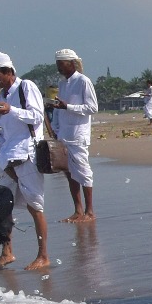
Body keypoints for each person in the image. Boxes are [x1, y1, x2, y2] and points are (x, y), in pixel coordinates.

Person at [0, 50, 51, 271]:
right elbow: (1, 131)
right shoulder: (1, 96)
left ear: (8, 71)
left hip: (27, 154)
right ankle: (7, 252)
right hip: (7, 157)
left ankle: (43, 255)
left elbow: (37, 116)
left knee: (35, 206)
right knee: (4, 207)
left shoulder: (26, 87)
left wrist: (11, 110)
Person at [50, 48, 98, 223]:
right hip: (64, 134)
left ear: (71, 63)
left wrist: (68, 107)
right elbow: (58, 109)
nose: (59, 68)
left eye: (61, 64)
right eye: (57, 64)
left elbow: (92, 108)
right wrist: (55, 127)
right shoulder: (62, 84)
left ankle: (89, 211)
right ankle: (78, 210)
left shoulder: (83, 81)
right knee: (69, 172)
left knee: (83, 172)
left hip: (78, 134)